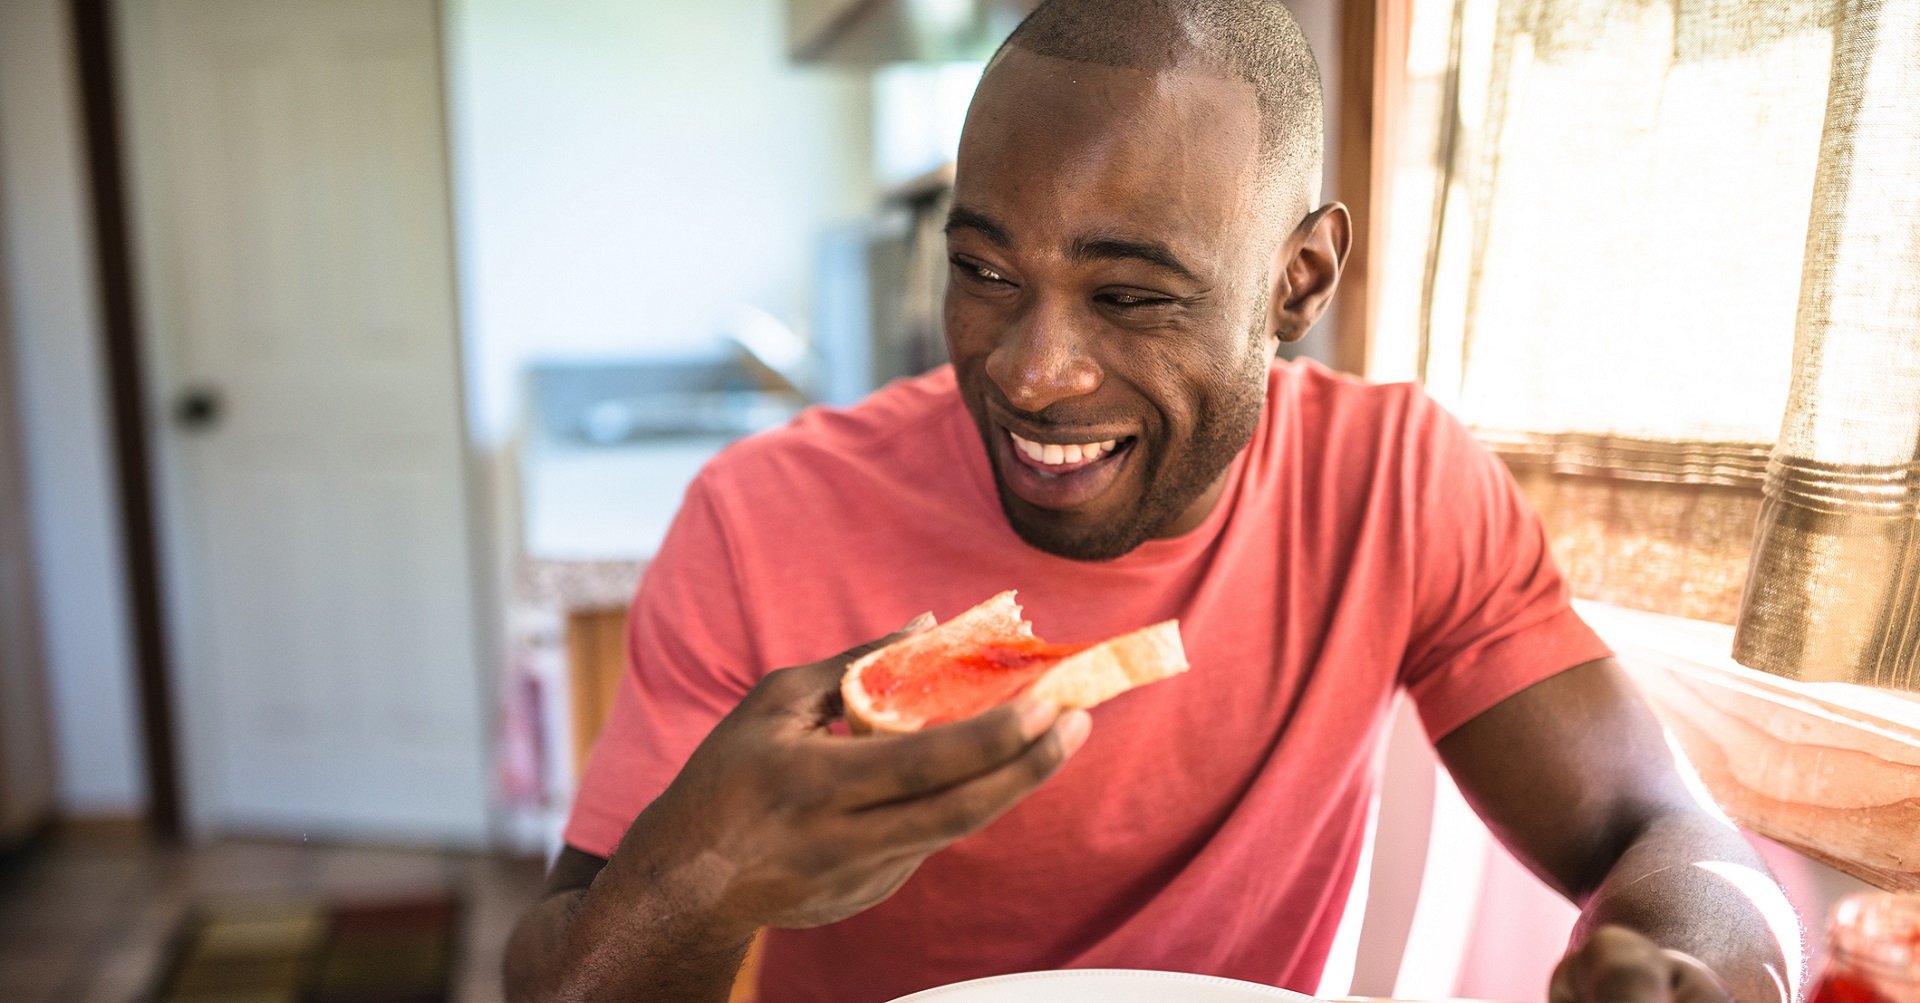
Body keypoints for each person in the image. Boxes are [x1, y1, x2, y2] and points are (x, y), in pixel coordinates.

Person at [505, 2, 1799, 1002]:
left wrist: (1696, 961)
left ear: (1297, 282)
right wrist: (706, 876)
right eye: (983, 269)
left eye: (1129, 297)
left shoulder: (1396, 483)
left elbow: (1657, 828)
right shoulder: (761, 515)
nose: (1031, 370)